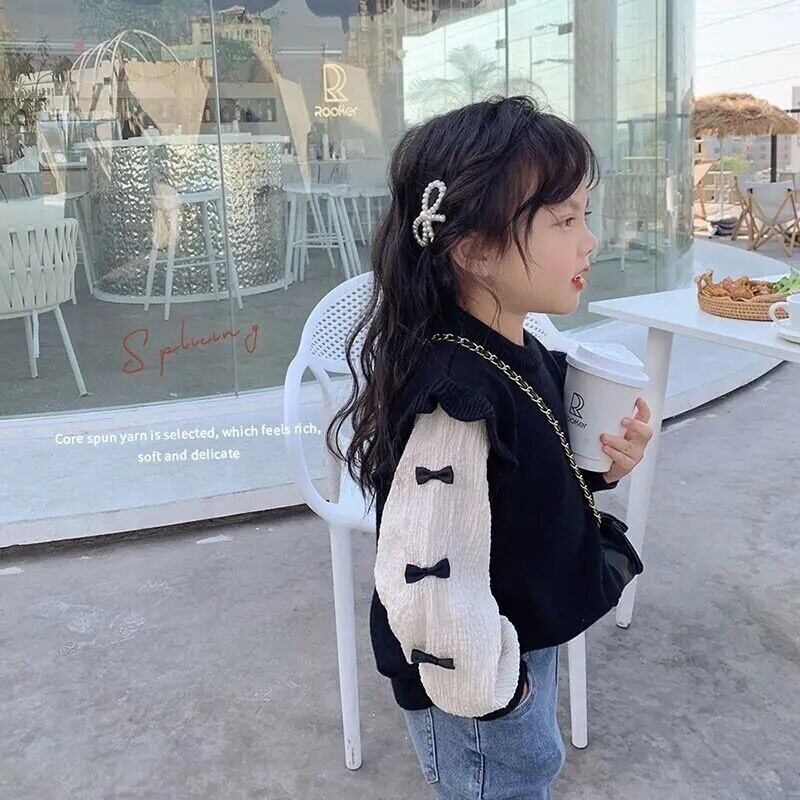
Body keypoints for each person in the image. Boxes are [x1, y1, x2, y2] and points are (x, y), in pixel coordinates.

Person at [327, 95, 654, 799]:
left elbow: (517, 478)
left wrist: (598, 466)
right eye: (565, 220)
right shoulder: (454, 400)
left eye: (586, 215)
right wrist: (495, 694)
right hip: (475, 681)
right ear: (474, 249)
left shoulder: (518, 349)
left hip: (513, 635)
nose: (590, 241)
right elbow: (428, 575)